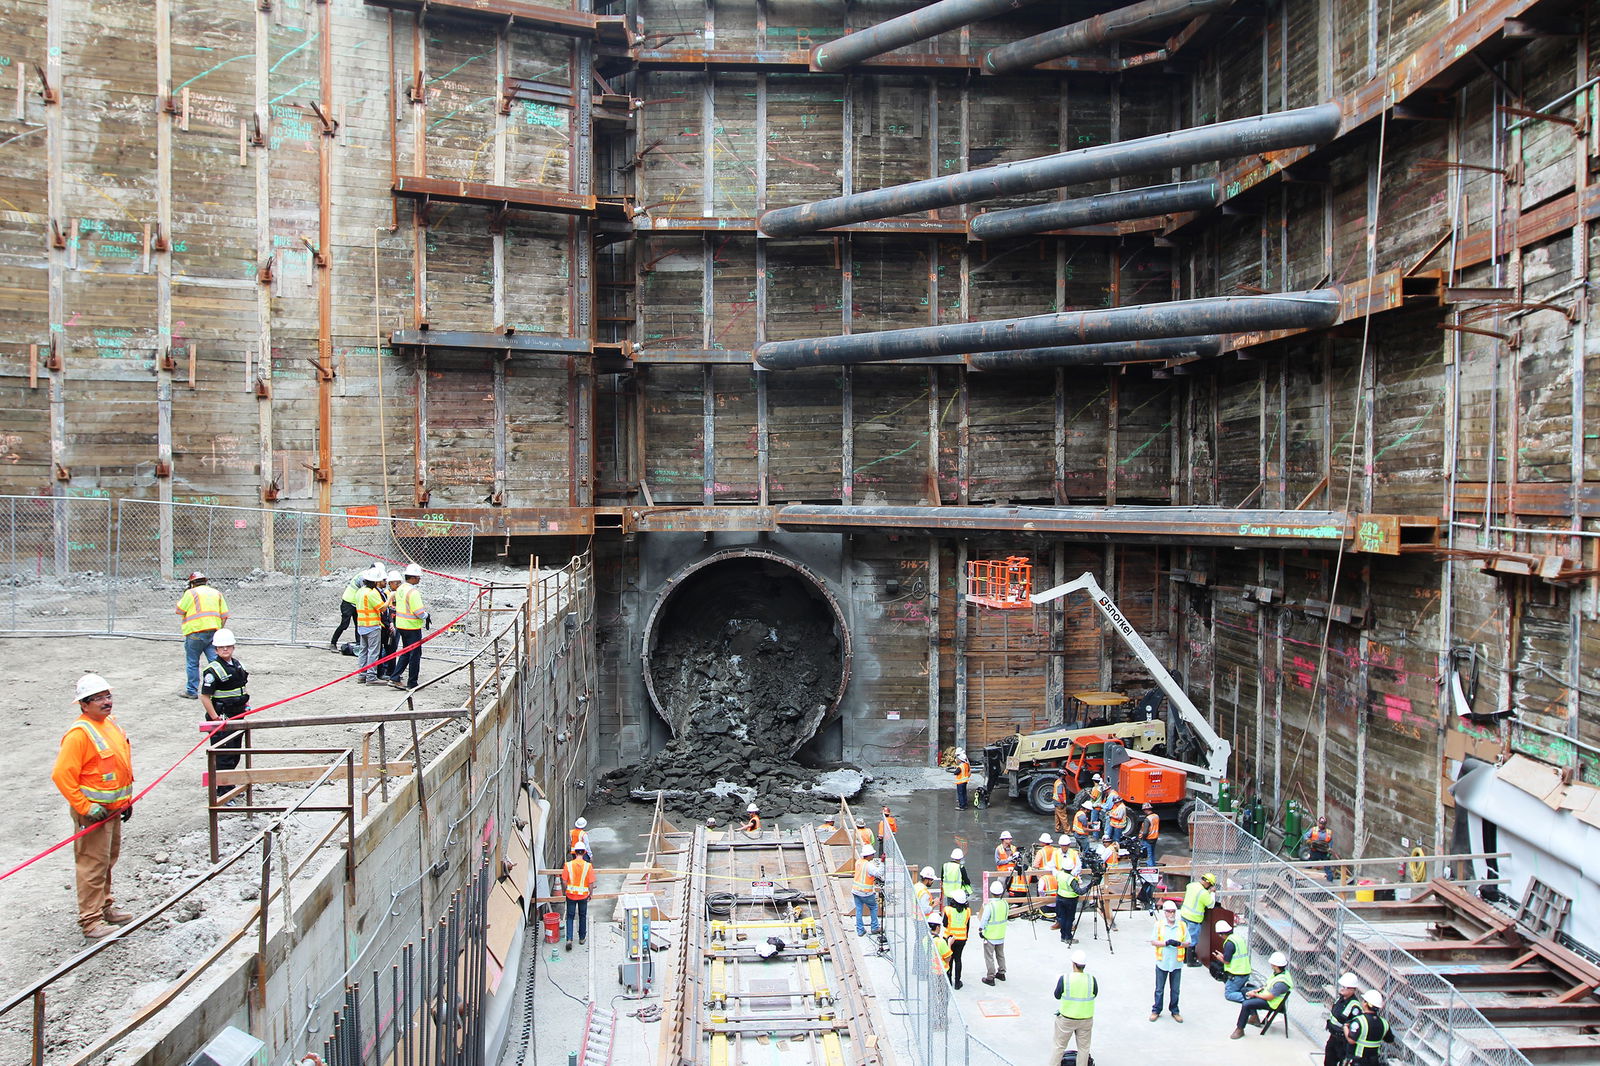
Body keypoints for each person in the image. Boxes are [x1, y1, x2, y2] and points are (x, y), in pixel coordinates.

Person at [52, 674, 134, 939]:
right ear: (84, 705)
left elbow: (117, 766)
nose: (106, 702)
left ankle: (105, 906)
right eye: (98, 698)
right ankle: (90, 920)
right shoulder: (79, 734)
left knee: (107, 860)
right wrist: (84, 806)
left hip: (112, 809)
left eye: (107, 696)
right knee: (92, 864)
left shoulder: (109, 724)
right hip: (93, 813)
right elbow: (62, 775)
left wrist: (125, 802)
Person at [199, 628, 249, 773]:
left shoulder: (238, 665)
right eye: (221, 647)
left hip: (237, 716)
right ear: (215, 650)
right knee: (223, 756)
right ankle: (222, 791)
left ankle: (229, 786)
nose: (225, 649)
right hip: (222, 717)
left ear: (233, 647)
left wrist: (245, 704)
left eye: (228, 646)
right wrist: (215, 718)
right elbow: (204, 697)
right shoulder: (213, 670)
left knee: (235, 753)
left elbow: (242, 687)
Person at [175, 571, 229, 699]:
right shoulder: (217, 593)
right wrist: (219, 630)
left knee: (193, 662)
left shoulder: (191, 593)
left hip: (195, 632)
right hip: (213, 632)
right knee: (215, 662)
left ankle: (191, 691)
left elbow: (179, 610)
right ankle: (221, 688)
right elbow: (225, 615)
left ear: (192, 583)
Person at [1048, 951, 1097, 1066]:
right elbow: (1095, 993)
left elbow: (1057, 995)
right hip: (1086, 1019)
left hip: (1067, 1019)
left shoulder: (1065, 979)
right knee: (1084, 1049)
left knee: (1059, 1047)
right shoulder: (1091, 979)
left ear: (1073, 964)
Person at [387, 563, 429, 690]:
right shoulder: (413, 592)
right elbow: (419, 612)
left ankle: (394, 677)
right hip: (412, 627)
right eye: (418, 577)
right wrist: (426, 616)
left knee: (406, 652)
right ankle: (412, 683)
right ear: (414, 578)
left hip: (401, 625)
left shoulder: (400, 589)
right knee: (415, 654)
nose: (419, 579)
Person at [1232, 951, 1293, 1039]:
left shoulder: (1281, 982)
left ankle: (1240, 1029)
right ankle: (1254, 1017)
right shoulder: (1280, 973)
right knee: (1245, 990)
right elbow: (1268, 985)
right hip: (1267, 996)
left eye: (1272, 963)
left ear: (1275, 965)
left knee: (1246, 1004)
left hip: (1272, 1003)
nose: (1270, 965)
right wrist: (1257, 990)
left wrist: (1255, 995)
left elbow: (1270, 997)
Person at [1150, 898, 1185, 1022]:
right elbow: (1153, 941)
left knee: (1175, 990)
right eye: (1169, 912)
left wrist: (1179, 943)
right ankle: (1156, 1010)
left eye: (1173, 911)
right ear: (1164, 912)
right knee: (1159, 989)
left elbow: (1189, 942)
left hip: (1176, 963)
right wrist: (1165, 943)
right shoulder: (1159, 925)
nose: (1171, 914)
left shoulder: (1181, 925)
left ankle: (1175, 1010)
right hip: (1162, 962)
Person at [353, 566, 387, 684]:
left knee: (363, 650)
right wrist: (390, 598)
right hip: (372, 626)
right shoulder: (372, 593)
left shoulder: (360, 591)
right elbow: (382, 608)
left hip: (361, 625)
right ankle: (371, 676)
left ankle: (362, 675)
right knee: (373, 651)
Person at [559, 847, 596, 949]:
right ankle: (581, 938)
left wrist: (565, 890)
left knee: (570, 917)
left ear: (574, 852)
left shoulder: (568, 865)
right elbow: (591, 882)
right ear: (584, 852)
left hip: (570, 895)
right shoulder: (588, 866)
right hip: (583, 895)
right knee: (582, 916)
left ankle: (569, 939)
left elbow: (564, 881)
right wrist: (591, 893)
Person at [1324, 973, 1364, 1066]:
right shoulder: (1340, 999)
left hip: (1343, 1042)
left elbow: (1354, 1026)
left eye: (1345, 987)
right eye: (1342, 986)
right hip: (1333, 1038)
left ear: (1352, 989)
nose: (1342, 988)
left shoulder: (1354, 1007)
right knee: (1328, 1062)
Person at [1346, 989, 1394, 1065]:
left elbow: (1351, 1040)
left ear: (1365, 1004)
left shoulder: (1359, 1021)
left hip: (1359, 1060)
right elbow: (1390, 1040)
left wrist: (1345, 1028)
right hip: (1374, 1061)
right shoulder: (1384, 1023)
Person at [1178, 872, 1217, 963]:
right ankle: (1191, 961)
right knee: (1192, 940)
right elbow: (1211, 905)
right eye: (1210, 885)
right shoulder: (1203, 893)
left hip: (1184, 915)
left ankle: (1184, 958)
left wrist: (1207, 892)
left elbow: (1197, 895)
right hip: (1194, 919)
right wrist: (1212, 893)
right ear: (1207, 883)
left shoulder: (1191, 886)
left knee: (1185, 937)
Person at [1053, 834, 1083, 944]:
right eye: (1062, 846)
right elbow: (1080, 891)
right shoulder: (1056, 853)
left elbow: (1078, 866)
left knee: (1064, 916)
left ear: (1069, 845)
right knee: (1068, 918)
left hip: (1061, 893)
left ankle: (1063, 935)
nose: (1064, 848)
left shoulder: (1073, 854)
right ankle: (1067, 937)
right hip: (1070, 897)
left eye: (1065, 846)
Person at [978, 880, 1008, 986]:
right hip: (1001, 934)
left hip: (990, 935)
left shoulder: (990, 906)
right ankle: (1001, 972)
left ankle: (990, 977)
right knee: (1000, 955)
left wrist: (981, 930)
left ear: (991, 892)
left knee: (989, 956)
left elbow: (984, 920)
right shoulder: (1005, 904)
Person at [374, 569, 403, 681]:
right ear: (390, 583)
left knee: (392, 647)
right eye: (396, 582)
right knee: (389, 647)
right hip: (389, 623)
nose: (398, 585)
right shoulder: (387, 594)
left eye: (399, 582)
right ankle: (387, 670)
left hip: (396, 622)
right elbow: (387, 610)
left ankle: (390, 670)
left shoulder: (399, 592)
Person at [1214, 919, 1252, 1001]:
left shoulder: (1229, 943)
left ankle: (1250, 997)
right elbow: (1235, 955)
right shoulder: (1238, 939)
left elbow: (1227, 961)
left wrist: (1220, 958)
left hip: (1237, 974)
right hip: (1245, 972)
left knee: (1229, 994)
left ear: (1222, 934)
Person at [851, 844, 884, 937]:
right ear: (868, 855)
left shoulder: (858, 862)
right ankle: (874, 927)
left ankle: (860, 930)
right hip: (866, 893)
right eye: (872, 854)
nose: (873, 856)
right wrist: (882, 862)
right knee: (873, 907)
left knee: (859, 910)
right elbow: (878, 873)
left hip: (855, 891)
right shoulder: (869, 865)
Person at [329, 569, 365, 651]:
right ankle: (333, 643)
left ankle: (359, 646)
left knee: (358, 625)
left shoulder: (365, 574)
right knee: (344, 624)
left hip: (356, 603)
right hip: (348, 602)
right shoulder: (364, 577)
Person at [942, 888, 971, 989]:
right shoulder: (967, 911)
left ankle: (948, 980)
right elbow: (968, 926)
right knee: (958, 959)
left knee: (949, 959)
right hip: (962, 938)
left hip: (949, 938)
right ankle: (957, 982)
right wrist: (965, 937)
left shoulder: (948, 910)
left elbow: (945, 924)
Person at [1304, 815, 1335, 882]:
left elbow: (1330, 841)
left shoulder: (1328, 832)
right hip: (1315, 851)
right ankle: (1304, 877)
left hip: (1324, 852)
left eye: (1323, 824)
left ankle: (1330, 881)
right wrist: (1308, 841)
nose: (1321, 825)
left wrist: (1329, 849)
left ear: (1325, 824)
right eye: (1320, 823)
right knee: (1309, 864)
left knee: (1327, 867)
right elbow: (1306, 836)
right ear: (1318, 823)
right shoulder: (1313, 830)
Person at [915, 866, 941, 936]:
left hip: (915, 917)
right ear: (927, 880)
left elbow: (920, 903)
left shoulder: (916, 886)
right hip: (922, 920)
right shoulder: (924, 892)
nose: (932, 882)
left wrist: (932, 902)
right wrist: (934, 904)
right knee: (922, 940)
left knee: (918, 939)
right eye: (931, 880)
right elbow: (925, 909)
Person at [1032, 833, 1057, 897]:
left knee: (1042, 891)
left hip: (1043, 876)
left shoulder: (1041, 852)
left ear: (1043, 842)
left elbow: (1035, 865)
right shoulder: (1056, 850)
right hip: (1054, 875)